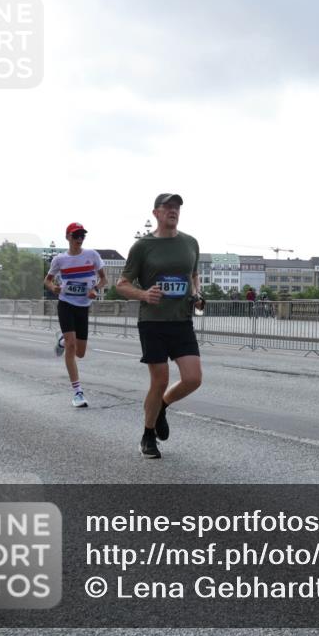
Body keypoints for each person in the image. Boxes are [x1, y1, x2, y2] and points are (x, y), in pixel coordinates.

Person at [117, 193, 204, 459]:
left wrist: (197, 294)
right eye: (167, 207)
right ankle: (147, 435)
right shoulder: (142, 246)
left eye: (176, 207)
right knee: (160, 380)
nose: (173, 210)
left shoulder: (190, 243)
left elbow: (193, 275)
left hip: (182, 321)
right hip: (152, 322)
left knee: (193, 379)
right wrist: (143, 294)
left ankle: (163, 405)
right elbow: (122, 284)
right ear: (156, 213)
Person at [44, 223, 107, 408]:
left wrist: (95, 289)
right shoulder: (59, 259)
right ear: (68, 237)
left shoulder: (92, 255)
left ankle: (62, 341)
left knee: (80, 353)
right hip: (66, 304)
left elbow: (104, 279)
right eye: (76, 235)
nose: (79, 238)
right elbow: (47, 280)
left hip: (83, 307)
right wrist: (53, 287)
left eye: (82, 235)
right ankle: (78, 392)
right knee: (72, 346)